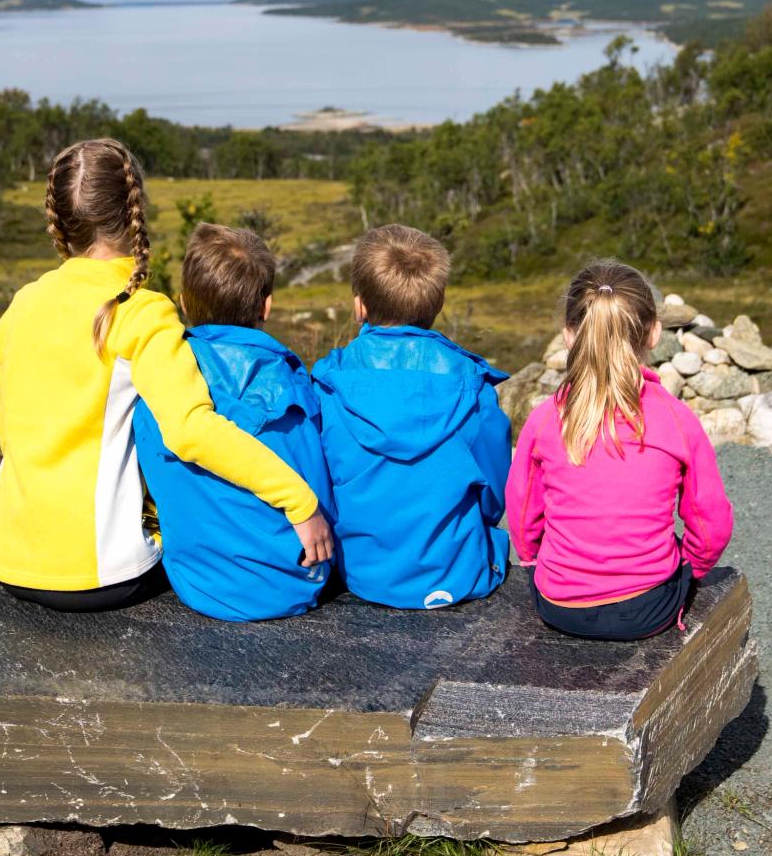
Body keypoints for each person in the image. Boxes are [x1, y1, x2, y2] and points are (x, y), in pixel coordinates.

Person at [0, 138, 330, 611]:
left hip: (8, 560)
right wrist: (300, 502)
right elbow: (192, 432)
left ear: (59, 217)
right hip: (101, 574)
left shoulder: (24, 303)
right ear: (136, 208)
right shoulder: (141, 311)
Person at [505, 259, 735, 640]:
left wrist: (532, 561)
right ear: (654, 333)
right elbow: (712, 523)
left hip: (558, 605)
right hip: (645, 609)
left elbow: (523, 509)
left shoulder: (546, 418)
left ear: (568, 334)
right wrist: (691, 569)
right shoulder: (675, 419)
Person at [134, 223, 333, 621]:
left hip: (198, 584)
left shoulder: (160, 386)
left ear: (184, 302)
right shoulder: (292, 385)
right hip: (295, 581)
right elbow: (320, 489)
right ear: (267, 305)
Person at [312, 224, 511, 609]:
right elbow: (492, 495)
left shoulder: (327, 386)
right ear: (437, 304)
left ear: (359, 305)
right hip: (459, 573)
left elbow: (321, 488)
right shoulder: (474, 389)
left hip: (362, 575)